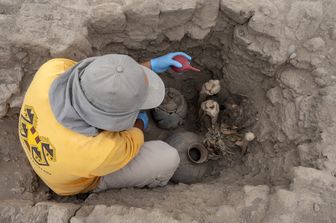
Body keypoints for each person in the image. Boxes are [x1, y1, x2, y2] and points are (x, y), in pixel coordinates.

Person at [18, 52, 192, 196]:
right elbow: (131, 140)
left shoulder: (53, 69)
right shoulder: (102, 149)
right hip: (69, 185)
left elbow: (101, 82)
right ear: (110, 119)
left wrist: (151, 65)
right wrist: (139, 121)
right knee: (168, 157)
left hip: (43, 146)